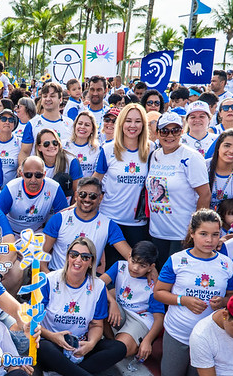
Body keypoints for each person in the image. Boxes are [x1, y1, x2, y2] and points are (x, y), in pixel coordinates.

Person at [36, 236, 129, 376]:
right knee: (44, 349)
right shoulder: (49, 281)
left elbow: (96, 325)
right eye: (74, 255)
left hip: (80, 344)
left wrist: (91, 344)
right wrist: (53, 337)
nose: (78, 260)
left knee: (119, 348)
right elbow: (34, 322)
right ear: (67, 257)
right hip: (52, 342)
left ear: (91, 262)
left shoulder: (98, 286)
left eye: (85, 257)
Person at [154, 209, 233, 376]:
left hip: (208, 335)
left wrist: (223, 302)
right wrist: (183, 300)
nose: (209, 240)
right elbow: (159, 292)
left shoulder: (227, 264)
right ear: (192, 234)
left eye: (215, 234)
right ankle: (171, 352)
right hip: (179, 332)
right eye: (203, 234)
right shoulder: (177, 260)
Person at [146, 112, 211, 267]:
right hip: (156, 232)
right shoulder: (154, 155)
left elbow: (205, 194)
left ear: (182, 131)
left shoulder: (191, 157)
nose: (170, 135)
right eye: (165, 131)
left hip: (181, 234)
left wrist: (195, 229)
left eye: (175, 130)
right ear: (157, 133)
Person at [93, 103, 153, 253]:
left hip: (139, 223)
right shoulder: (108, 149)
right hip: (110, 219)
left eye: (138, 121)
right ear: (121, 123)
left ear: (143, 124)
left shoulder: (152, 149)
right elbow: (95, 181)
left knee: (135, 269)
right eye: (128, 120)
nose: (133, 125)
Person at [43, 176, 131, 272]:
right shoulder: (59, 219)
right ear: (76, 196)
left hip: (88, 281)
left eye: (92, 196)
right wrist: (50, 279)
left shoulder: (108, 225)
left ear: (100, 197)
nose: (87, 199)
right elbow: (40, 254)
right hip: (57, 275)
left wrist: (149, 268)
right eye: (83, 194)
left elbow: (130, 256)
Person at [100, 241, 164, 359]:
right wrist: (113, 302)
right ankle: (110, 339)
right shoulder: (120, 266)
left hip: (139, 319)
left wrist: (147, 340)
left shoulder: (154, 284)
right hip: (120, 311)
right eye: (133, 261)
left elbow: (159, 319)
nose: (135, 268)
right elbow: (98, 284)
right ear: (129, 256)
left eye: (142, 266)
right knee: (99, 300)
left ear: (151, 267)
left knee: (119, 350)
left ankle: (121, 343)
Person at [0, 155, 68, 235]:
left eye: (38, 175)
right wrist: (8, 234)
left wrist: (49, 233)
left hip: (38, 232)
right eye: (28, 175)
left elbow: (63, 216)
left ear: (44, 174)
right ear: (22, 174)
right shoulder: (11, 187)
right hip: (12, 231)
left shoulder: (54, 187)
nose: (33, 180)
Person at [18, 82, 72, 167]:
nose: (48, 99)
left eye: (52, 96)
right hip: (39, 176)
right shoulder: (32, 124)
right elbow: (24, 152)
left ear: (60, 99)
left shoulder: (70, 124)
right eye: (45, 96)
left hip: (63, 175)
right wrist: (22, 168)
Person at [33, 128, 83, 196]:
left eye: (55, 143)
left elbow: (77, 193)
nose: (51, 146)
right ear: (39, 147)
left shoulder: (71, 161)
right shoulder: (33, 163)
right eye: (46, 144)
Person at [0, 108, 23, 187]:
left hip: (11, 189)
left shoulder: (20, 143)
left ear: (14, 125)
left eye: (11, 120)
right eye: (3, 119)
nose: (7, 122)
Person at [63, 110, 100, 178]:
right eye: (80, 123)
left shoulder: (97, 149)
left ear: (92, 129)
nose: (82, 127)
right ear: (75, 126)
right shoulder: (63, 145)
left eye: (87, 125)